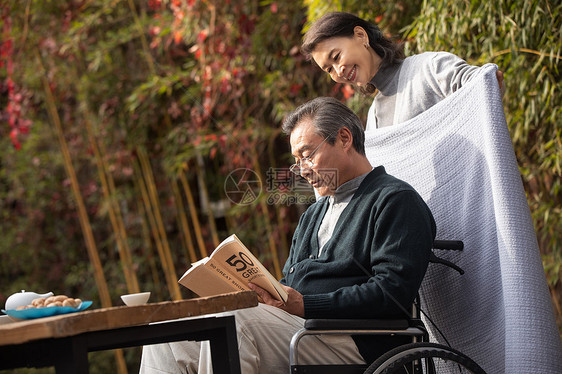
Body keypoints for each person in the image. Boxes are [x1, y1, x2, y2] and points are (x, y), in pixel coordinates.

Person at [139, 97, 436, 373]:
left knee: (234, 323)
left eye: (307, 155)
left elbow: (392, 293)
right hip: (301, 329)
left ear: (344, 138)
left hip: (358, 341)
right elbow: (291, 286)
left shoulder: (394, 200)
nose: (302, 170)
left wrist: (304, 305)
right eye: (297, 161)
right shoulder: (313, 215)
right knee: (169, 334)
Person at [301, 11, 505, 130]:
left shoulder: (429, 68)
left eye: (336, 57)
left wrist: (486, 81)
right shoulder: (374, 119)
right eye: (329, 69)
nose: (339, 71)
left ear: (360, 36)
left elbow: (485, 84)